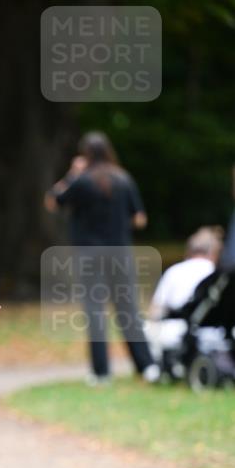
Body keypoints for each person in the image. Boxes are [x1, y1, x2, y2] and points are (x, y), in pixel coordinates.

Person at [44, 131, 159, 384]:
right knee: (128, 310)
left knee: (95, 312)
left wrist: (72, 174)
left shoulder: (82, 181)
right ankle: (147, 366)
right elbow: (140, 218)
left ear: (85, 154)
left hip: (89, 255)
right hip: (120, 253)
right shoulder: (123, 179)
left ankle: (101, 372)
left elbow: (52, 201)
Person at [145, 226, 223, 370]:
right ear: (214, 252)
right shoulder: (218, 276)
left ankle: (155, 369)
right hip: (214, 335)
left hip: (176, 332)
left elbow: (155, 310)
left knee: (146, 327)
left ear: (189, 250)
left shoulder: (174, 271)